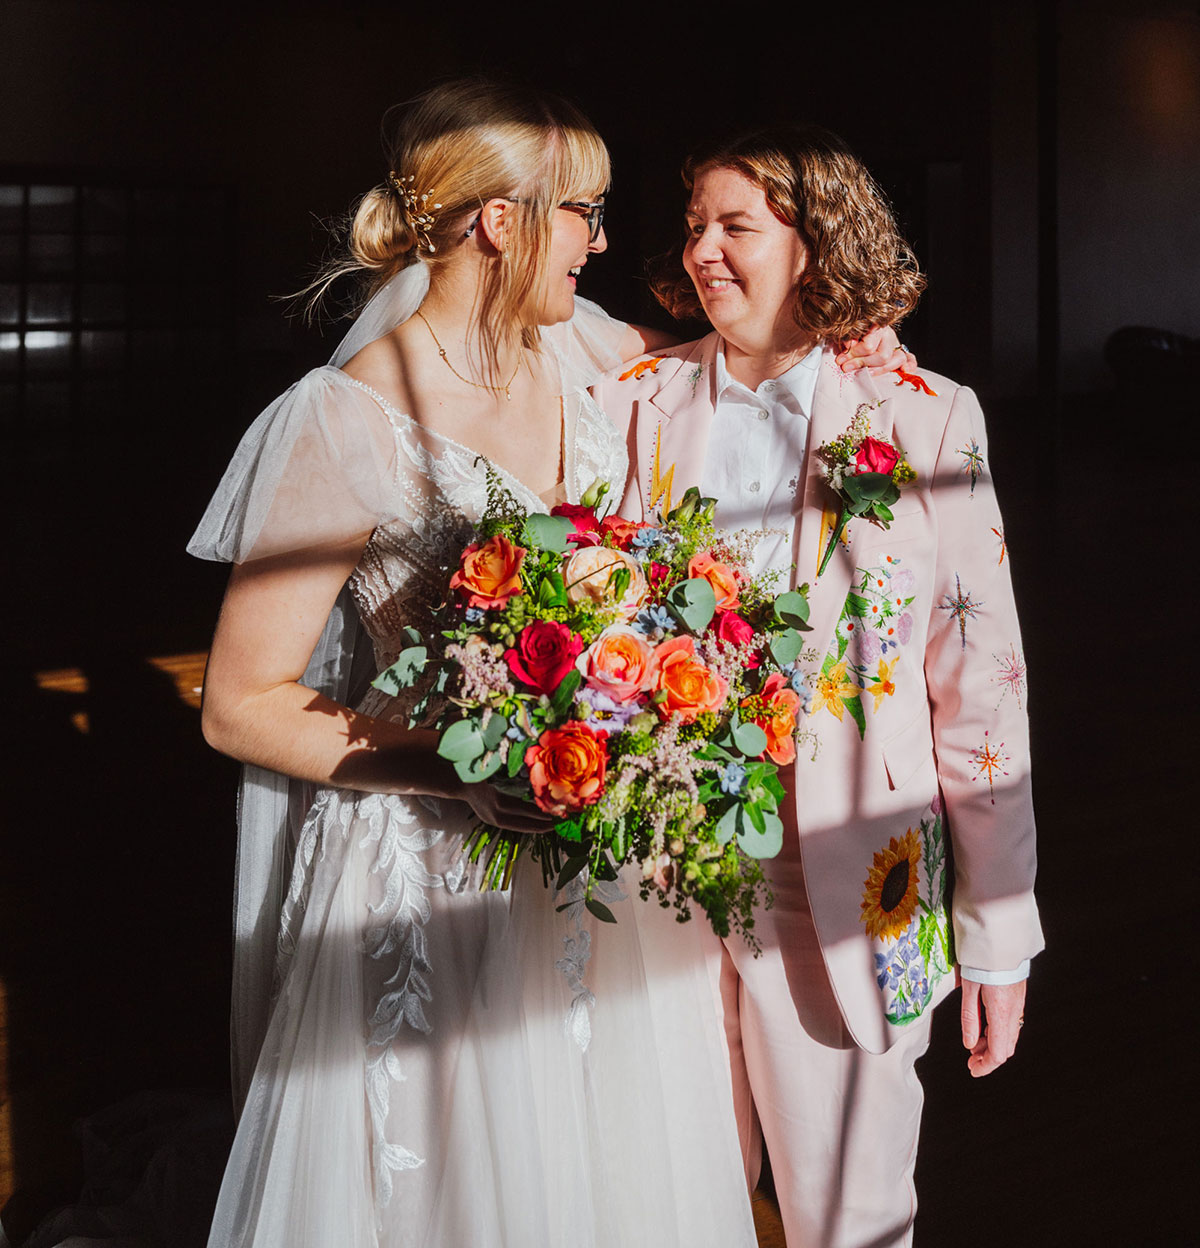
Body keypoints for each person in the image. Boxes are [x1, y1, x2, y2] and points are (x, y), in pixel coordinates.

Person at [190, 81, 908, 1248]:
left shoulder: (598, 352)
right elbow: (240, 705)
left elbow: (750, 366)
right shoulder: (340, 422)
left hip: (602, 869)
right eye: (586, 211)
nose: (607, 240)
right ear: (501, 222)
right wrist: (453, 772)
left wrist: (845, 332)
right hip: (430, 866)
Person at [595, 124, 1042, 1248]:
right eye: (695, 226)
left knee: (849, 1213)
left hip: (843, 876)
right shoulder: (632, 401)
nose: (703, 250)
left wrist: (998, 927)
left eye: (735, 225)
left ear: (816, 242)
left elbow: (980, 684)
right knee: (671, 1201)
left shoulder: (924, 416)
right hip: (658, 878)